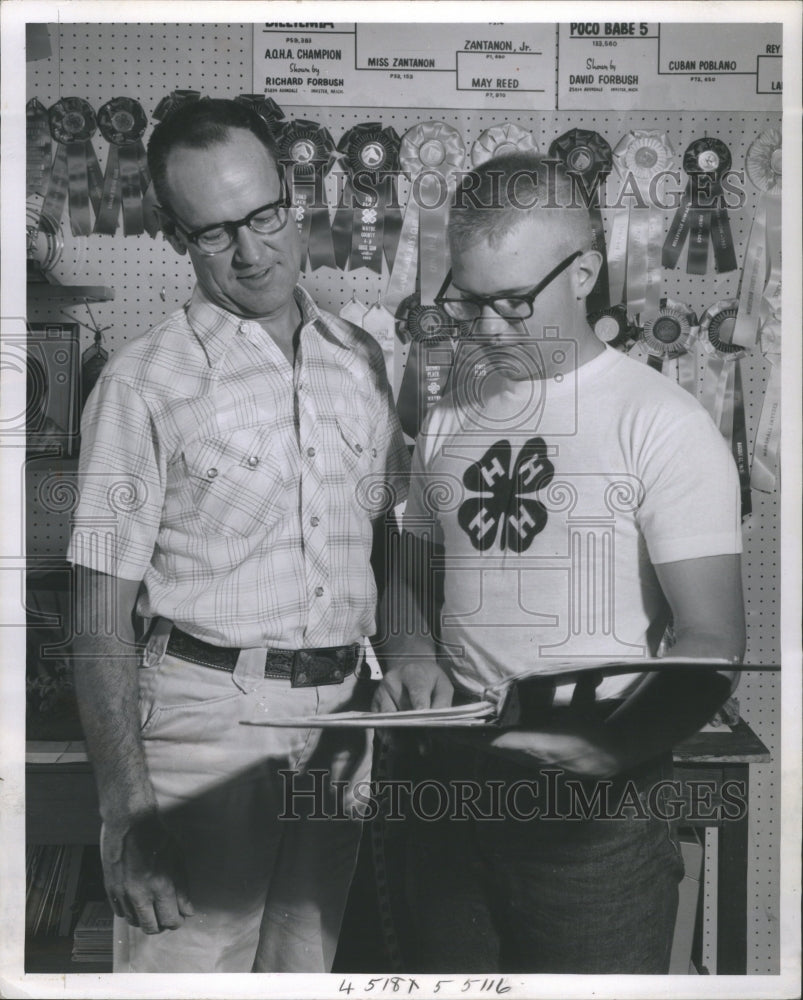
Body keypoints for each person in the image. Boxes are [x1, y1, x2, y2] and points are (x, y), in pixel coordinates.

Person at [373, 153, 745, 973]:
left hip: (596, 819)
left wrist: (614, 746)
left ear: (583, 273)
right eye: (468, 302)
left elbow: (712, 640)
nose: (487, 329)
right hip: (449, 796)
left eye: (512, 303)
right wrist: (407, 648)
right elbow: (407, 565)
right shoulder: (449, 410)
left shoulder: (662, 423)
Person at [68, 98, 409, 973]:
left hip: (341, 725)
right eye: (216, 234)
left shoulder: (361, 358)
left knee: (308, 973)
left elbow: (388, 534)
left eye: (263, 217)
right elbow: (97, 617)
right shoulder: (143, 382)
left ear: (294, 198)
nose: (252, 253)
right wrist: (126, 811)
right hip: (205, 727)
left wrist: (411, 647)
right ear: (177, 238)